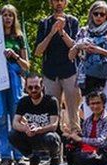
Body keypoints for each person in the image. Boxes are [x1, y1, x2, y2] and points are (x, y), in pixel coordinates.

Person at [34, 0, 82, 134]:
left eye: (62, 0)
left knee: (73, 114)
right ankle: (54, 146)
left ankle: (75, 146)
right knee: (53, 113)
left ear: (66, 3)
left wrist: (62, 32)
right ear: (51, 3)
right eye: (56, 0)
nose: (59, 3)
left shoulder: (73, 22)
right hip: (50, 73)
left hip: (70, 71)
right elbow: (38, 52)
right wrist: (51, 32)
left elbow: (76, 47)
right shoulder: (44, 23)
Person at [0, 4, 30, 165]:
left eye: (10, 15)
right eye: (4, 15)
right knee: (1, 120)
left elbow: (26, 65)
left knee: (17, 118)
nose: (7, 18)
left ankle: (19, 155)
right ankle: (5, 156)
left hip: (14, 81)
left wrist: (14, 56)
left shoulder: (19, 37)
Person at [10, 74, 64, 165]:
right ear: (26, 88)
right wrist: (25, 128)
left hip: (45, 136)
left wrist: (39, 130)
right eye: (30, 87)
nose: (33, 90)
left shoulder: (51, 101)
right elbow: (15, 123)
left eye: (36, 87)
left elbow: (54, 125)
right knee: (12, 135)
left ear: (42, 86)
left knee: (51, 138)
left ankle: (54, 158)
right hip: (30, 135)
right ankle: (33, 157)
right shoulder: (23, 102)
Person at [70, 1, 107, 95]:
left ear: (106, 16)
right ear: (91, 15)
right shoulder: (84, 31)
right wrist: (78, 46)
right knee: (88, 108)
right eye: (96, 13)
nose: (98, 16)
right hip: (85, 78)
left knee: (105, 108)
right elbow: (70, 56)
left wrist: (99, 50)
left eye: (102, 14)